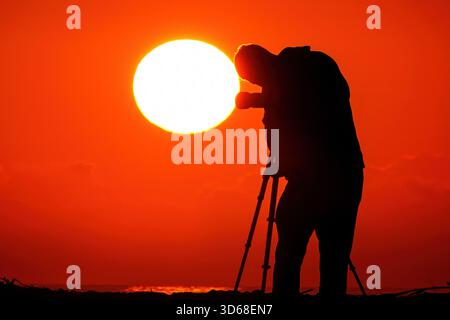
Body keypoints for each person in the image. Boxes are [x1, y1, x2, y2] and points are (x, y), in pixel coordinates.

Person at [234, 44, 365, 298]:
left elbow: (318, 99)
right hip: (327, 174)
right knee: (305, 244)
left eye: (253, 77)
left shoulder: (312, 65)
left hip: (333, 174)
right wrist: (276, 160)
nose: (256, 83)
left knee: (324, 248)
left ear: (260, 64)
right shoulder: (278, 83)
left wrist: (261, 100)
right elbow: (280, 123)